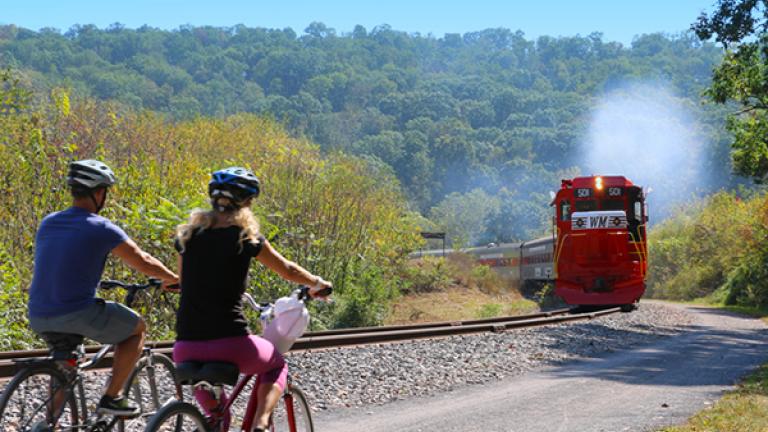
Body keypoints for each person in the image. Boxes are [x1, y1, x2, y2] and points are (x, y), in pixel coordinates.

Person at [173, 167, 331, 432]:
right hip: (232, 344)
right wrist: (317, 283)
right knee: (276, 364)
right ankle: (261, 421)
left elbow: (183, 282)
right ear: (246, 202)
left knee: (218, 418)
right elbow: (287, 270)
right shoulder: (246, 238)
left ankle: (215, 419)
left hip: (185, 348)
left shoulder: (187, 238)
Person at [27, 159, 180, 417]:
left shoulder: (48, 222)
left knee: (66, 365)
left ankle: (48, 422)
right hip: (76, 312)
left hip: (39, 314)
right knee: (136, 329)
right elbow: (143, 261)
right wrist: (173, 279)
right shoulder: (100, 227)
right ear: (99, 193)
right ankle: (112, 397)